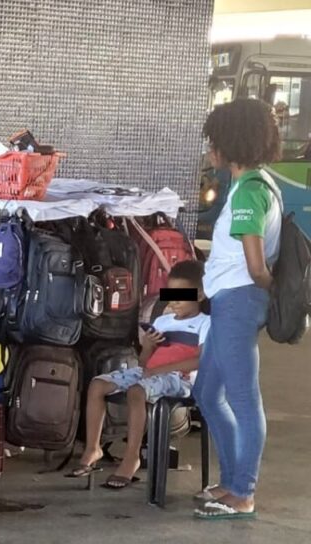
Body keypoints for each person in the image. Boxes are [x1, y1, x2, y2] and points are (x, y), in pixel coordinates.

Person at [193, 99, 282, 520]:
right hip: (230, 303)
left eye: (215, 142)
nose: (211, 150)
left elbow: (256, 265)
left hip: (237, 303)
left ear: (230, 145)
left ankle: (242, 491)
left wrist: (266, 289)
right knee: (207, 393)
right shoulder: (258, 183)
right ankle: (230, 482)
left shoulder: (249, 192)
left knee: (244, 399)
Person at [71, 261, 210, 489]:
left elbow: (200, 361)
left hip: (179, 378)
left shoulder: (206, 323)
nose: (174, 301)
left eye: (181, 296)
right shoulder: (162, 321)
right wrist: (148, 346)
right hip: (149, 372)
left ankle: (131, 457)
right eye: (171, 294)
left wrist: (157, 371)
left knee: (137, 391)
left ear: (200, 294)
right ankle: (93, 448)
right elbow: (145, 362)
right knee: (97, 385)